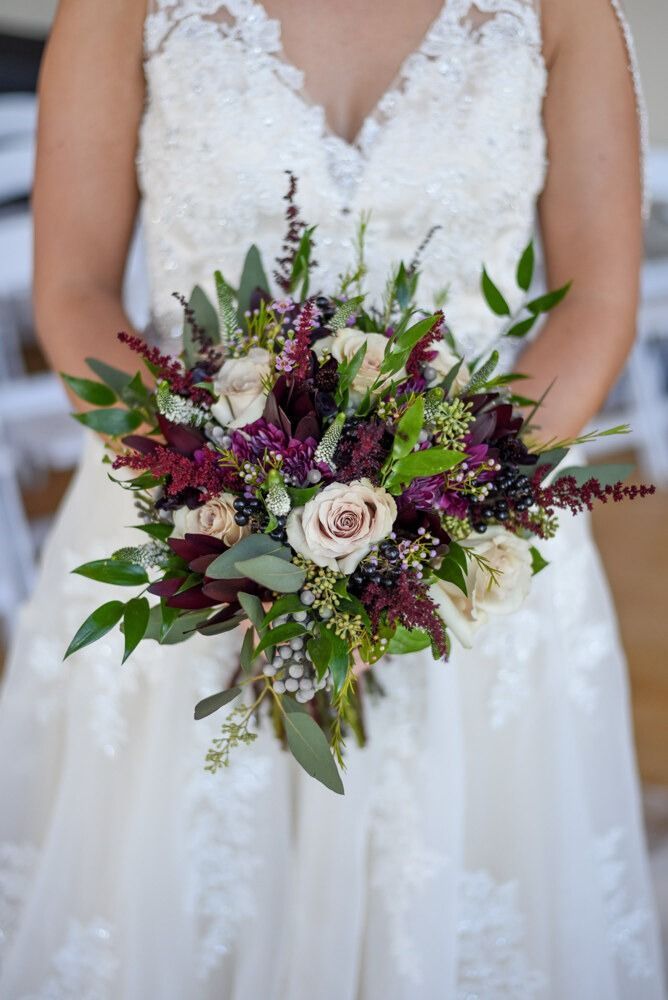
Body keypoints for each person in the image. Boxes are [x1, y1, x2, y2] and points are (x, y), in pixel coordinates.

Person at [0, 0, 665, 997]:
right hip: (192, 544)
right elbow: (73, 291)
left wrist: (445, 506)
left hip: (466, 559)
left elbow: (598, 299)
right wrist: (221, 490)